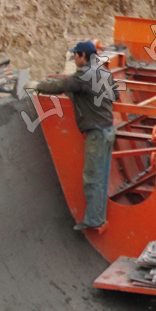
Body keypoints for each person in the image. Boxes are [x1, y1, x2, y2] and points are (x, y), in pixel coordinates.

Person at [36, 41, 118, 230]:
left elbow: (60, 86)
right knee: (102, 177)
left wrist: (37, 85)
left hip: (96, 133)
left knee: (92, 177)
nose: (74, 58)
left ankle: (94, 220)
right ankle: (97, 215)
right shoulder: (104, 72)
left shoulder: (82, 76)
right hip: (108, 130)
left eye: (75, 55)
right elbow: (115, 96)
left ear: (82, 56)